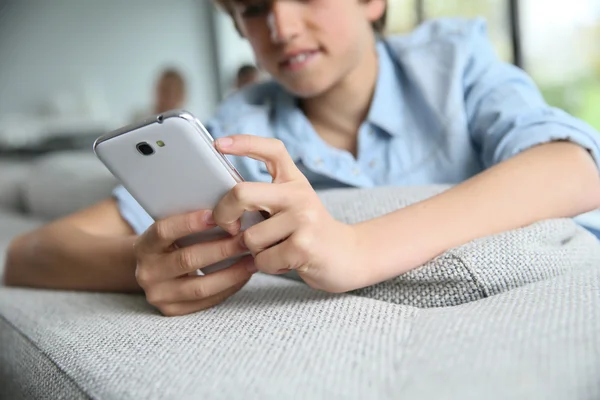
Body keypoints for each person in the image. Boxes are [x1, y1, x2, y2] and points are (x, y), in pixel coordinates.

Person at [4, 0, 600, 317]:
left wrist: (357, 248)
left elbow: (573, 167)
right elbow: (29, 256)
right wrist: (152, 262)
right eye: (255, 7)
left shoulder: (454, 60)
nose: (283, 26)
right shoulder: (236, 131)